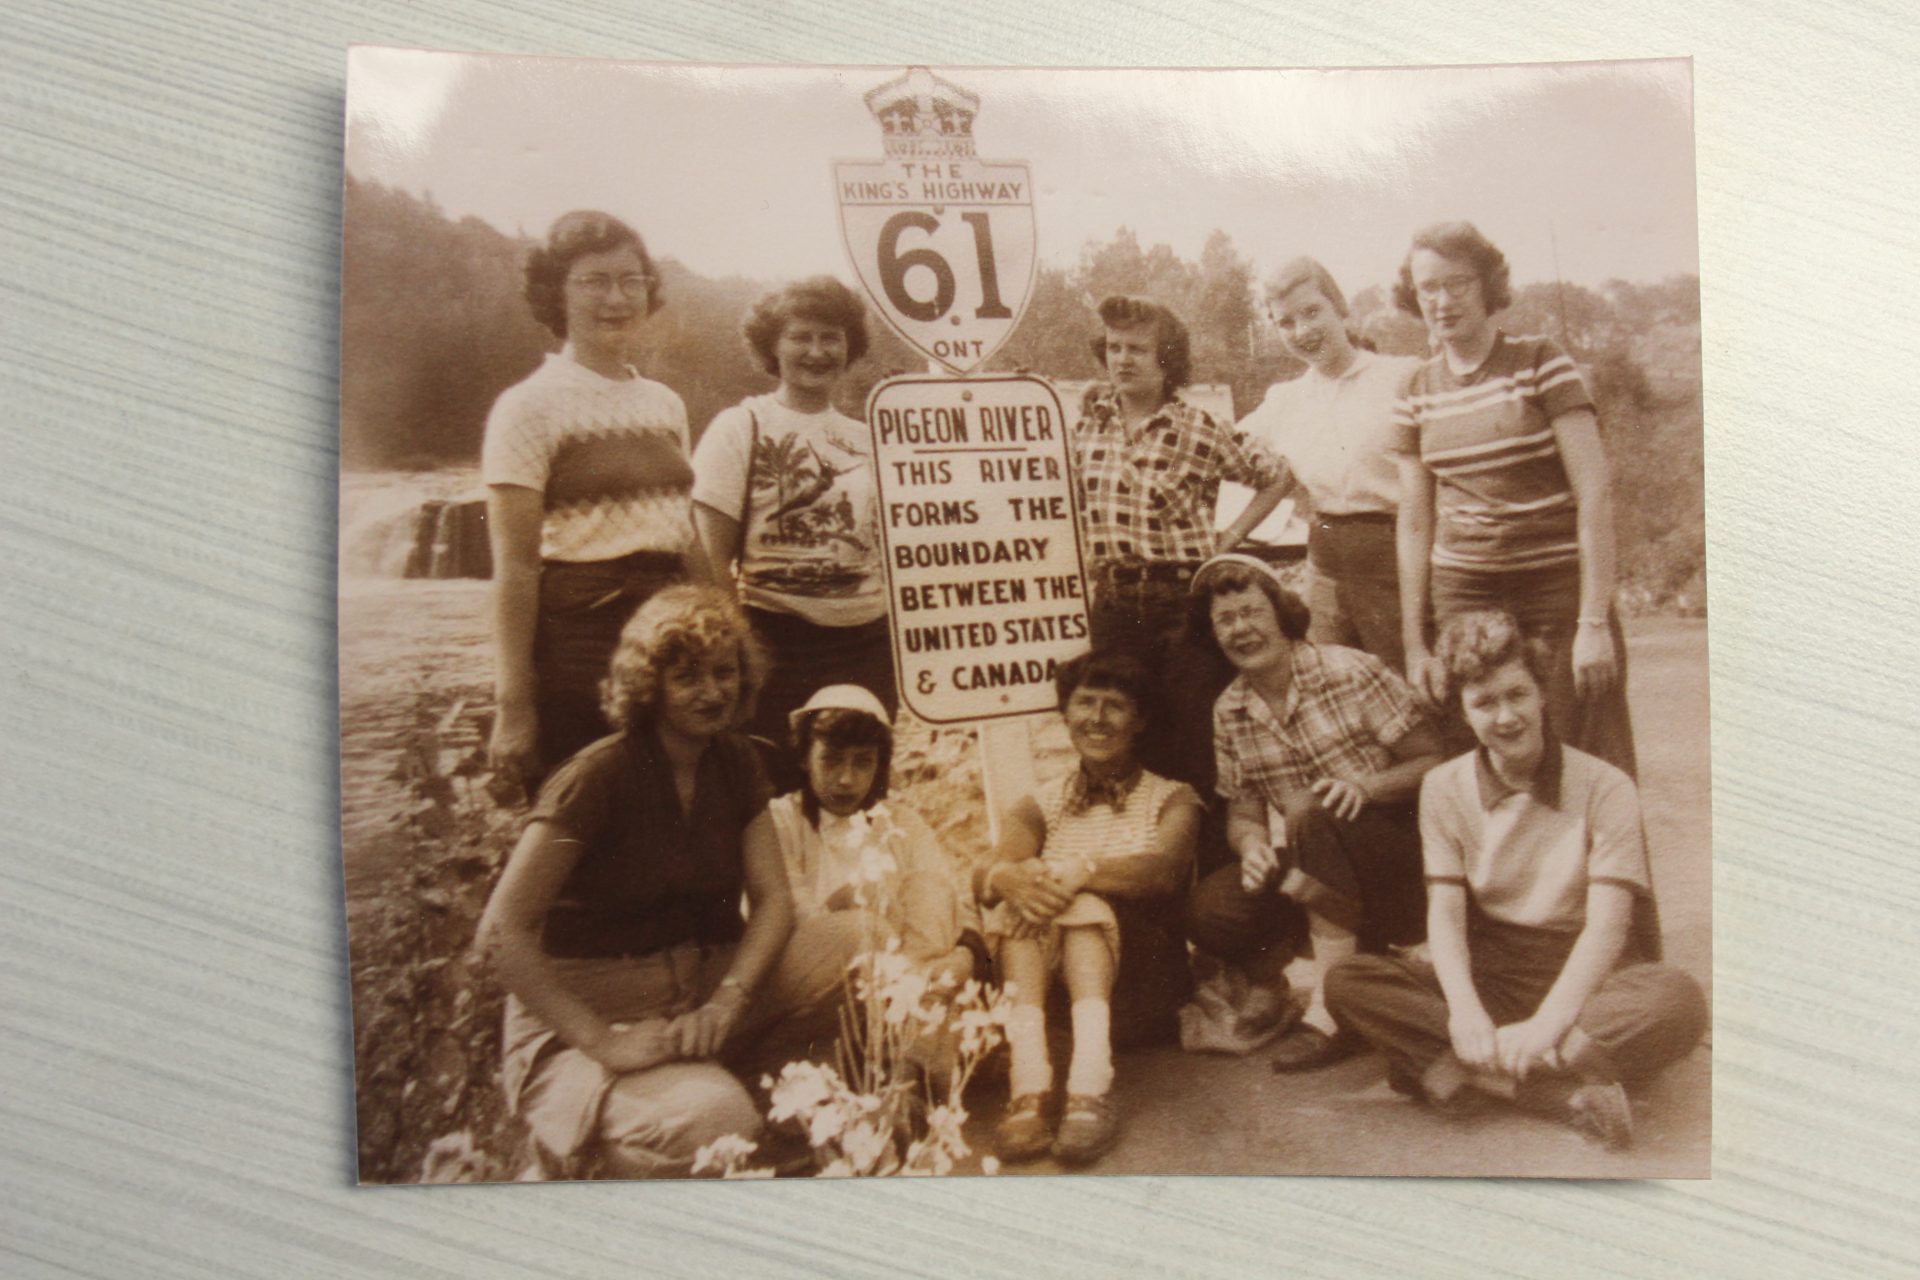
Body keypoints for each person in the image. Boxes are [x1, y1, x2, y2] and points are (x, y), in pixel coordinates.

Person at [475, 586, 857, 1179]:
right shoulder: (594, 778)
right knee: (716, 1125)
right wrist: (604, 1041)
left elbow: (775, 903)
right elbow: (501, 933)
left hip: (695, 991)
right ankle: (583, 1156)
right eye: (688, 678)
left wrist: (730, 999)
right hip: (585, 1018)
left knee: (863, 940)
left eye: (725, 673)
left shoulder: (734, 761)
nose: (713, 692)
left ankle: (760, 1082)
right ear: (649, 687)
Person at [1324, 611, 1706, 1149]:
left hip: (1586, 972)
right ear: (1462, 711)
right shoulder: (1442, 787)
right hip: (1496, 967)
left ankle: (1457, 1073)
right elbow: (1447, 915)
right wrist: (1465, 1014)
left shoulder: (1606, 786)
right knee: (1348, 982)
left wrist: (1547, 1025)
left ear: (1542, 695)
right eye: (1484, 703)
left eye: (1517, 694)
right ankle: (1558, 1093)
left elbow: (1607, 929)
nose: (1506, 717)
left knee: (1678, 999)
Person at [1391, 221, 1635, 775]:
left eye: (1458, 283)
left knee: (1584, 762)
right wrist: (1415, 645)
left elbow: (1594, 494)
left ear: (1487, 286)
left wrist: (1592, 622)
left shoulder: (1540, 362)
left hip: (1557, 592)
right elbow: (1413, 522)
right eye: (1428, 287)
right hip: (1464, 598)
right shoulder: (1413, 392)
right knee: (1486, 765)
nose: (1443, 300)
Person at [1184, 555, 1445, 1071]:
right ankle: (1362, 963)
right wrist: (1254, 847)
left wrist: (1367, 788)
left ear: (1282, 613)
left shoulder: (1348, 671)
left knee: (1310, 811)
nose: (1242, 630)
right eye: (1225, 620)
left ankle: (1335, 1012)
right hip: (1325, 872)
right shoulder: (1230, 711)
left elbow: (1435, 760)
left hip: (1402, 861)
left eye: (1252, 612)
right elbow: (1245, 814)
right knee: (1212, 909)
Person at [482, 210, 713, 790]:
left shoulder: (664, 403)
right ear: (555, 294)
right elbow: (514, 567)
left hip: (670, 630)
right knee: (588, 810)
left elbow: (684, 538)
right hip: (578, 642)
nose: (617, 298)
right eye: (594, 281)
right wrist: (514, 705)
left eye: (631, 280)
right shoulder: (526, 406)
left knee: (671, 804)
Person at [976, 650, 1203, 1164]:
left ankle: (1090, 1086)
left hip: (1139, 992)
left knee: (1080, 908)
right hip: (1053, 994)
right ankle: (1029, 1088)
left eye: (1115, 706)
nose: (1096, 719)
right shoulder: (1043, 800)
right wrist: (1010, 877)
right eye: (1084, 703)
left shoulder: (1172, 797)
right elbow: (990, 870)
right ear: (1066, 713)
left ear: (1140, 720)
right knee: (1025, 903)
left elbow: (1164, 870)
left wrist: (1088, 870)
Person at [1069, 294, 1297, 795]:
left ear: (1165, 359)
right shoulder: (1086, 425)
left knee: (1196, 739)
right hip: (1113, 606)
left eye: (1137, 349)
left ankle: (1211, 865)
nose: (1122, 359)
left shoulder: (1199, 428)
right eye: (1113, 347)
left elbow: (1278, 476)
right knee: (1123, 738)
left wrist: (1231, 536)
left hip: (1182, 606)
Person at [692, 277, 892, 774]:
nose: (817, 351)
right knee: (772, 792)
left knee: (858, 794)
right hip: (776, 648)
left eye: (831, 337)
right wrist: (739, 659)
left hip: (868, 648)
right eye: (800, 337)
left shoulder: (868, 438)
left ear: (850, 347)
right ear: (772, 346)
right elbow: (708, 559)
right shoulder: (740, 427)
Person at [1238, 257, 1422, 671]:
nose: (1302, 331)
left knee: (1410, 686)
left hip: (1398, 556)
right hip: (1325, 564)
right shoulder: (1284, 401)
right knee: (1336, 686)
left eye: (1312, 312)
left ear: (1340, 308)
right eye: (1285, 322)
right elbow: (1216, 448)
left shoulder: (1402, 377)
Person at [766, 684, 979, 984]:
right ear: (804, 758)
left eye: (863, 762)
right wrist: (844, 906)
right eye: (831, 759)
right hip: (815, 977)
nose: (846, 779)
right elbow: (787, 917)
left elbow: (948, 901)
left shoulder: (901, 823)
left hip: (908, 972)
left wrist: (965, 952)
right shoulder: (781, 820)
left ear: (879, 765)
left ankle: (905, 999)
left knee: (928, 888)